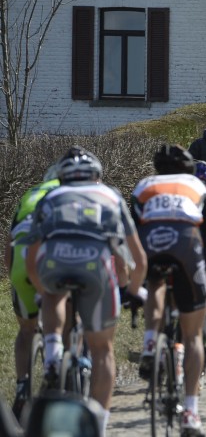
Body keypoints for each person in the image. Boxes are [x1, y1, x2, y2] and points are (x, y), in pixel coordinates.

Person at [21, 148, 148, 434]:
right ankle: (99, 426)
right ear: (97, 176)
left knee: (53, 293)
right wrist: (134, 290)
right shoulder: (111, 196)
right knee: (103, 350)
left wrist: (42, 290)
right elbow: (137, 259)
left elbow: (31, 258)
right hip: (95, 268)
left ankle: (52, 353)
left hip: (55, 261)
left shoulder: (50, 197)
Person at [131, 144, 206, 436]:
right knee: (192, 334)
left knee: (155, 280)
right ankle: (191, 412)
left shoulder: (143, 186)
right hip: (185, 246)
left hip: (150, 243)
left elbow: (130, 232)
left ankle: (149, 342)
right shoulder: (197, 186)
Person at [8, 166, 59, 417]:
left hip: (21, 263)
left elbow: (10, 244)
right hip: (54, 260)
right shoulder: (72, 192)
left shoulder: (29, 195)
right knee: (70, 318)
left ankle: (21, 388)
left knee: (26, 330)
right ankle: (65, 372)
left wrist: (15, 280)